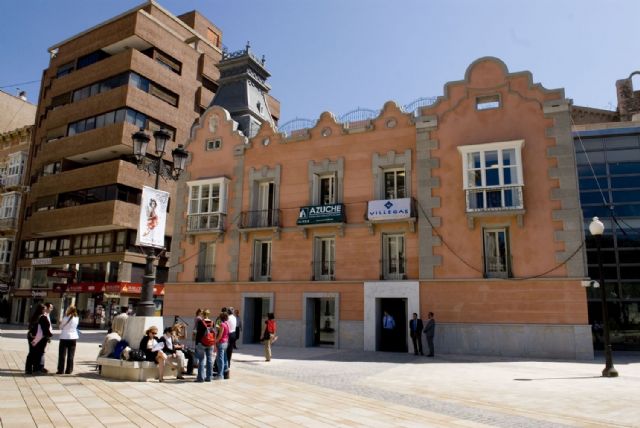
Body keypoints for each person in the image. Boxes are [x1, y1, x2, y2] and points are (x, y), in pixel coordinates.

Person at [25, 304, 51, 374]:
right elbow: (46, 329)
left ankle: (28, 369)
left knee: (32, 352)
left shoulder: (34, 316)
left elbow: (30, 327)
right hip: (39, 338)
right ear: (41, 310)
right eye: (44, 309)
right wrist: (49, 336)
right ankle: (37, 368)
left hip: (31, 337)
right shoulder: (43, 318)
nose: (45, 310)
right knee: (39, 353)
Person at [57, 306, 79, 374]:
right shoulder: (77, 318)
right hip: (73, 337)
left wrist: (60, 322)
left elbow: (60, 327)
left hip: (64, 337)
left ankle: (61, 370)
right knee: (71, 355)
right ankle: (69, 370)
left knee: (62, 355)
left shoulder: (65, 318)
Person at [194, 309, 214, 382]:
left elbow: (198, 334)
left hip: (202, 343)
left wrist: (197, 343)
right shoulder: (212, 322)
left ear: (203, 314)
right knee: (209, 360)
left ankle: (201, 378)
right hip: (210, 342)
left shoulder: (200, 322)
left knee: (201, 360)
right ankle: (209, 377)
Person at [214, 311, 230, 379]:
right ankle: (226, 373)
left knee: (220, 359)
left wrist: (215, 341)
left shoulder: (222, 325)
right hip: (226, 342)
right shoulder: (226, 324)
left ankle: (220, 375)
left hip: (221, 343)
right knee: (225, 358)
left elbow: (220, 335)